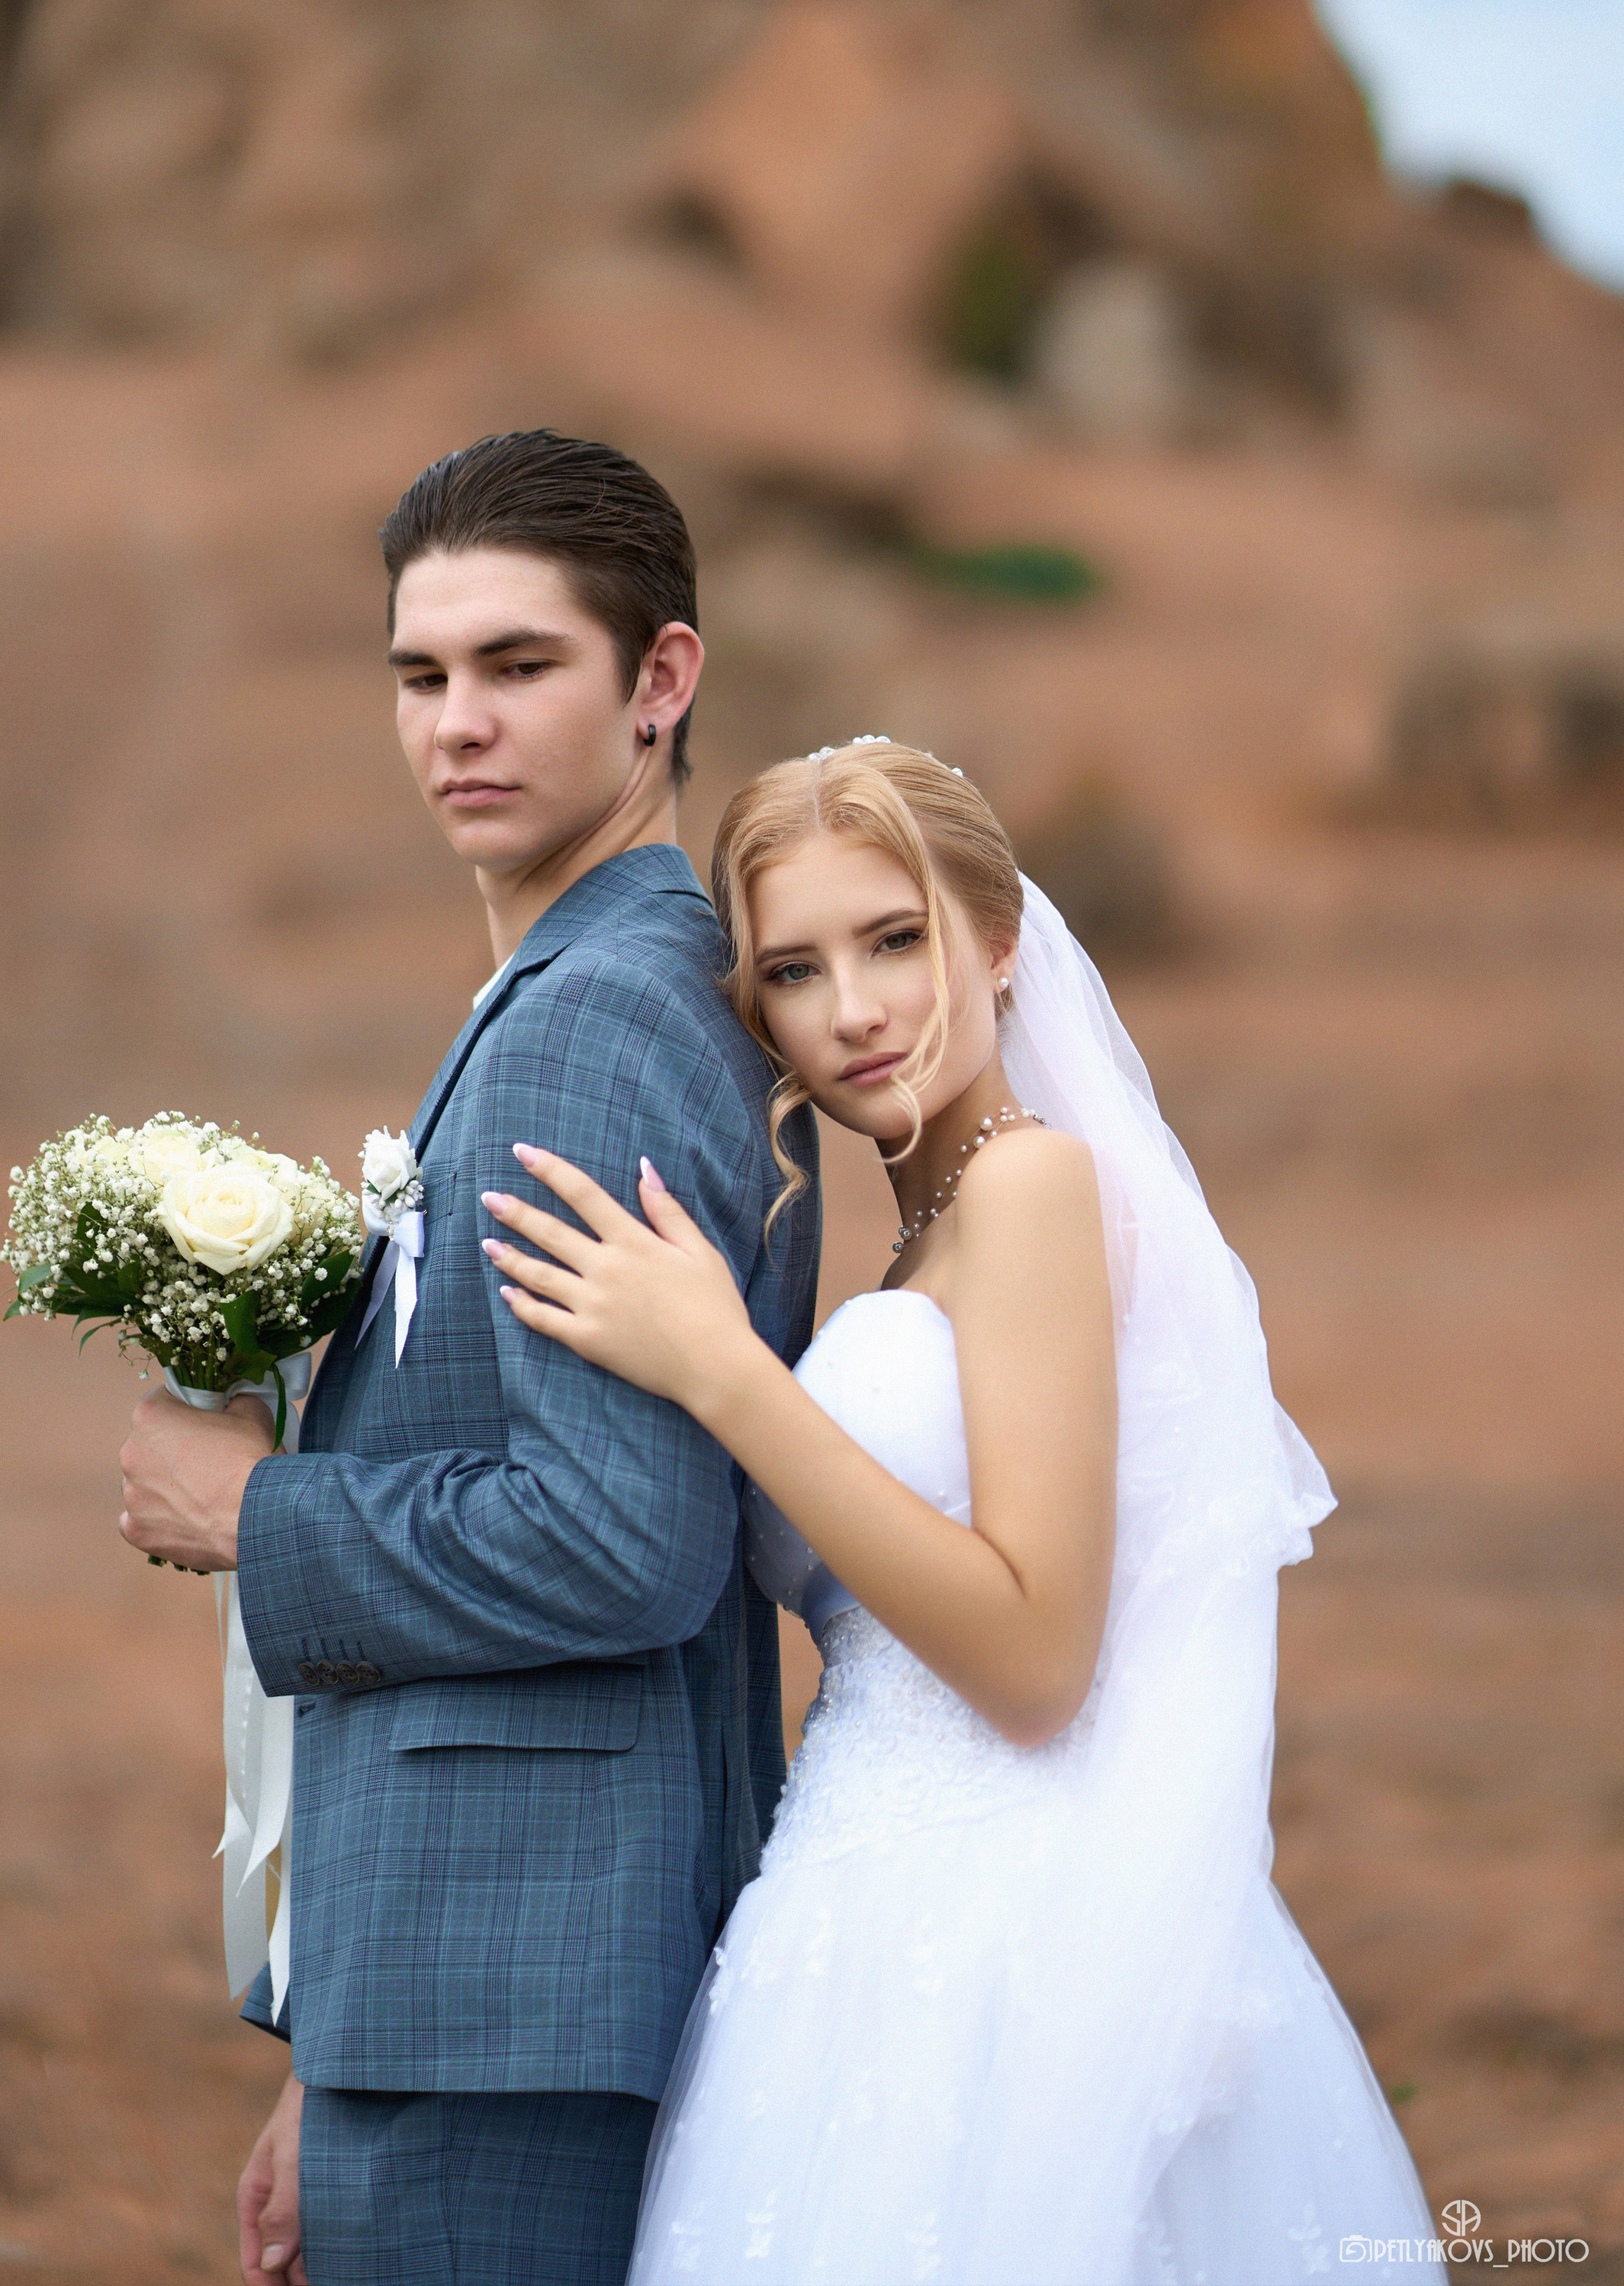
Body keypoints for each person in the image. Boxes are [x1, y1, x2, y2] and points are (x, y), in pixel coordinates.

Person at [485, 740, 1441, 2282]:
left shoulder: (1028, 1188)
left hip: (1002, 1926)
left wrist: (726, 1374)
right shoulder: (925, 1232)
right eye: (793, 971)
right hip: (861, 1900)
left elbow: (1035, 1658)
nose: (853, 1009)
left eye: (895, 940)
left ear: (997, 944)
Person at [117, 432, 820, 2286]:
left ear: (660, 681)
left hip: (524, 1996)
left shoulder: (600, 1024)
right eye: (420, 676)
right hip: (453, 1982)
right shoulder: (575, 985)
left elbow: (620, 1541)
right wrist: (329, 2033)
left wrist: (257, 1515)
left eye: (519, 665)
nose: (458, 725)